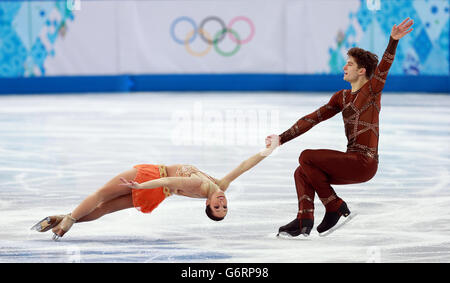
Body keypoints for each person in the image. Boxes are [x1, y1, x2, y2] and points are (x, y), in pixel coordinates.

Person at [266, 18, 414, 237]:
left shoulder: (372, 91)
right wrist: (282, 138)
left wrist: (393, 41)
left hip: (364, 163)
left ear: (362, 71)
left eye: (350, 64)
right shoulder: (341, 97)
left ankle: (335, 206)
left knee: (306, 156)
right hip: (351, 161)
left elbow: (384, 66)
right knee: (302, 172)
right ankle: (303, 220)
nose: (345, 67)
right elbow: (312, 118)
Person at [31, 139, 279, 240]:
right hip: (157, 194)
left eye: (217, 207)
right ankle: (62, 219)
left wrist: (140, 184)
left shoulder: (201, 185)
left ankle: (70, 219)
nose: (222, 202)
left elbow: (166, 182)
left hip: (152, 178)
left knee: (101, 196)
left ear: (207, 204)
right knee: (105, 209)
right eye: (224, 206)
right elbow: (244, 166)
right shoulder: (220, 185)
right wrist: (268, 150)